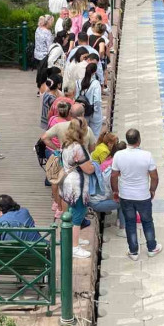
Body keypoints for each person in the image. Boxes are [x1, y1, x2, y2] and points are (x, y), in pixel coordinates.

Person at [111, 129, 162, 261]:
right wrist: (152, 190)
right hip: (143, 195)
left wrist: (115, 191)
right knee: (147, 221)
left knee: (130, 223)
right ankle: (152, 247)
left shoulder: (118, 155)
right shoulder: (147, 155)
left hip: (125, 195)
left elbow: (114, 176)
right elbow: (154, 177)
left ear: (127, 140)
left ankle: (133, 251)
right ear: (139, 140)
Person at [58, 119, 96, 259]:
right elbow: (88, 168)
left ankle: (73, 239)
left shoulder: (66, 144)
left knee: (72, 211)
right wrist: (93, 167)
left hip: (67, 181)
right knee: (78, 213)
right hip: (77, 184)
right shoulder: (77, 148)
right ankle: (74, 247)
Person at [78, 63, 103, 137]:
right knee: (95, 134)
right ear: (94, 72)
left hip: (83, 111)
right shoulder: (95, 83)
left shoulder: (78, 82)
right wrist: (95, 111)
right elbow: (97, 100)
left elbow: (76, 97)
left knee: (84, 134)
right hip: (93, 113)